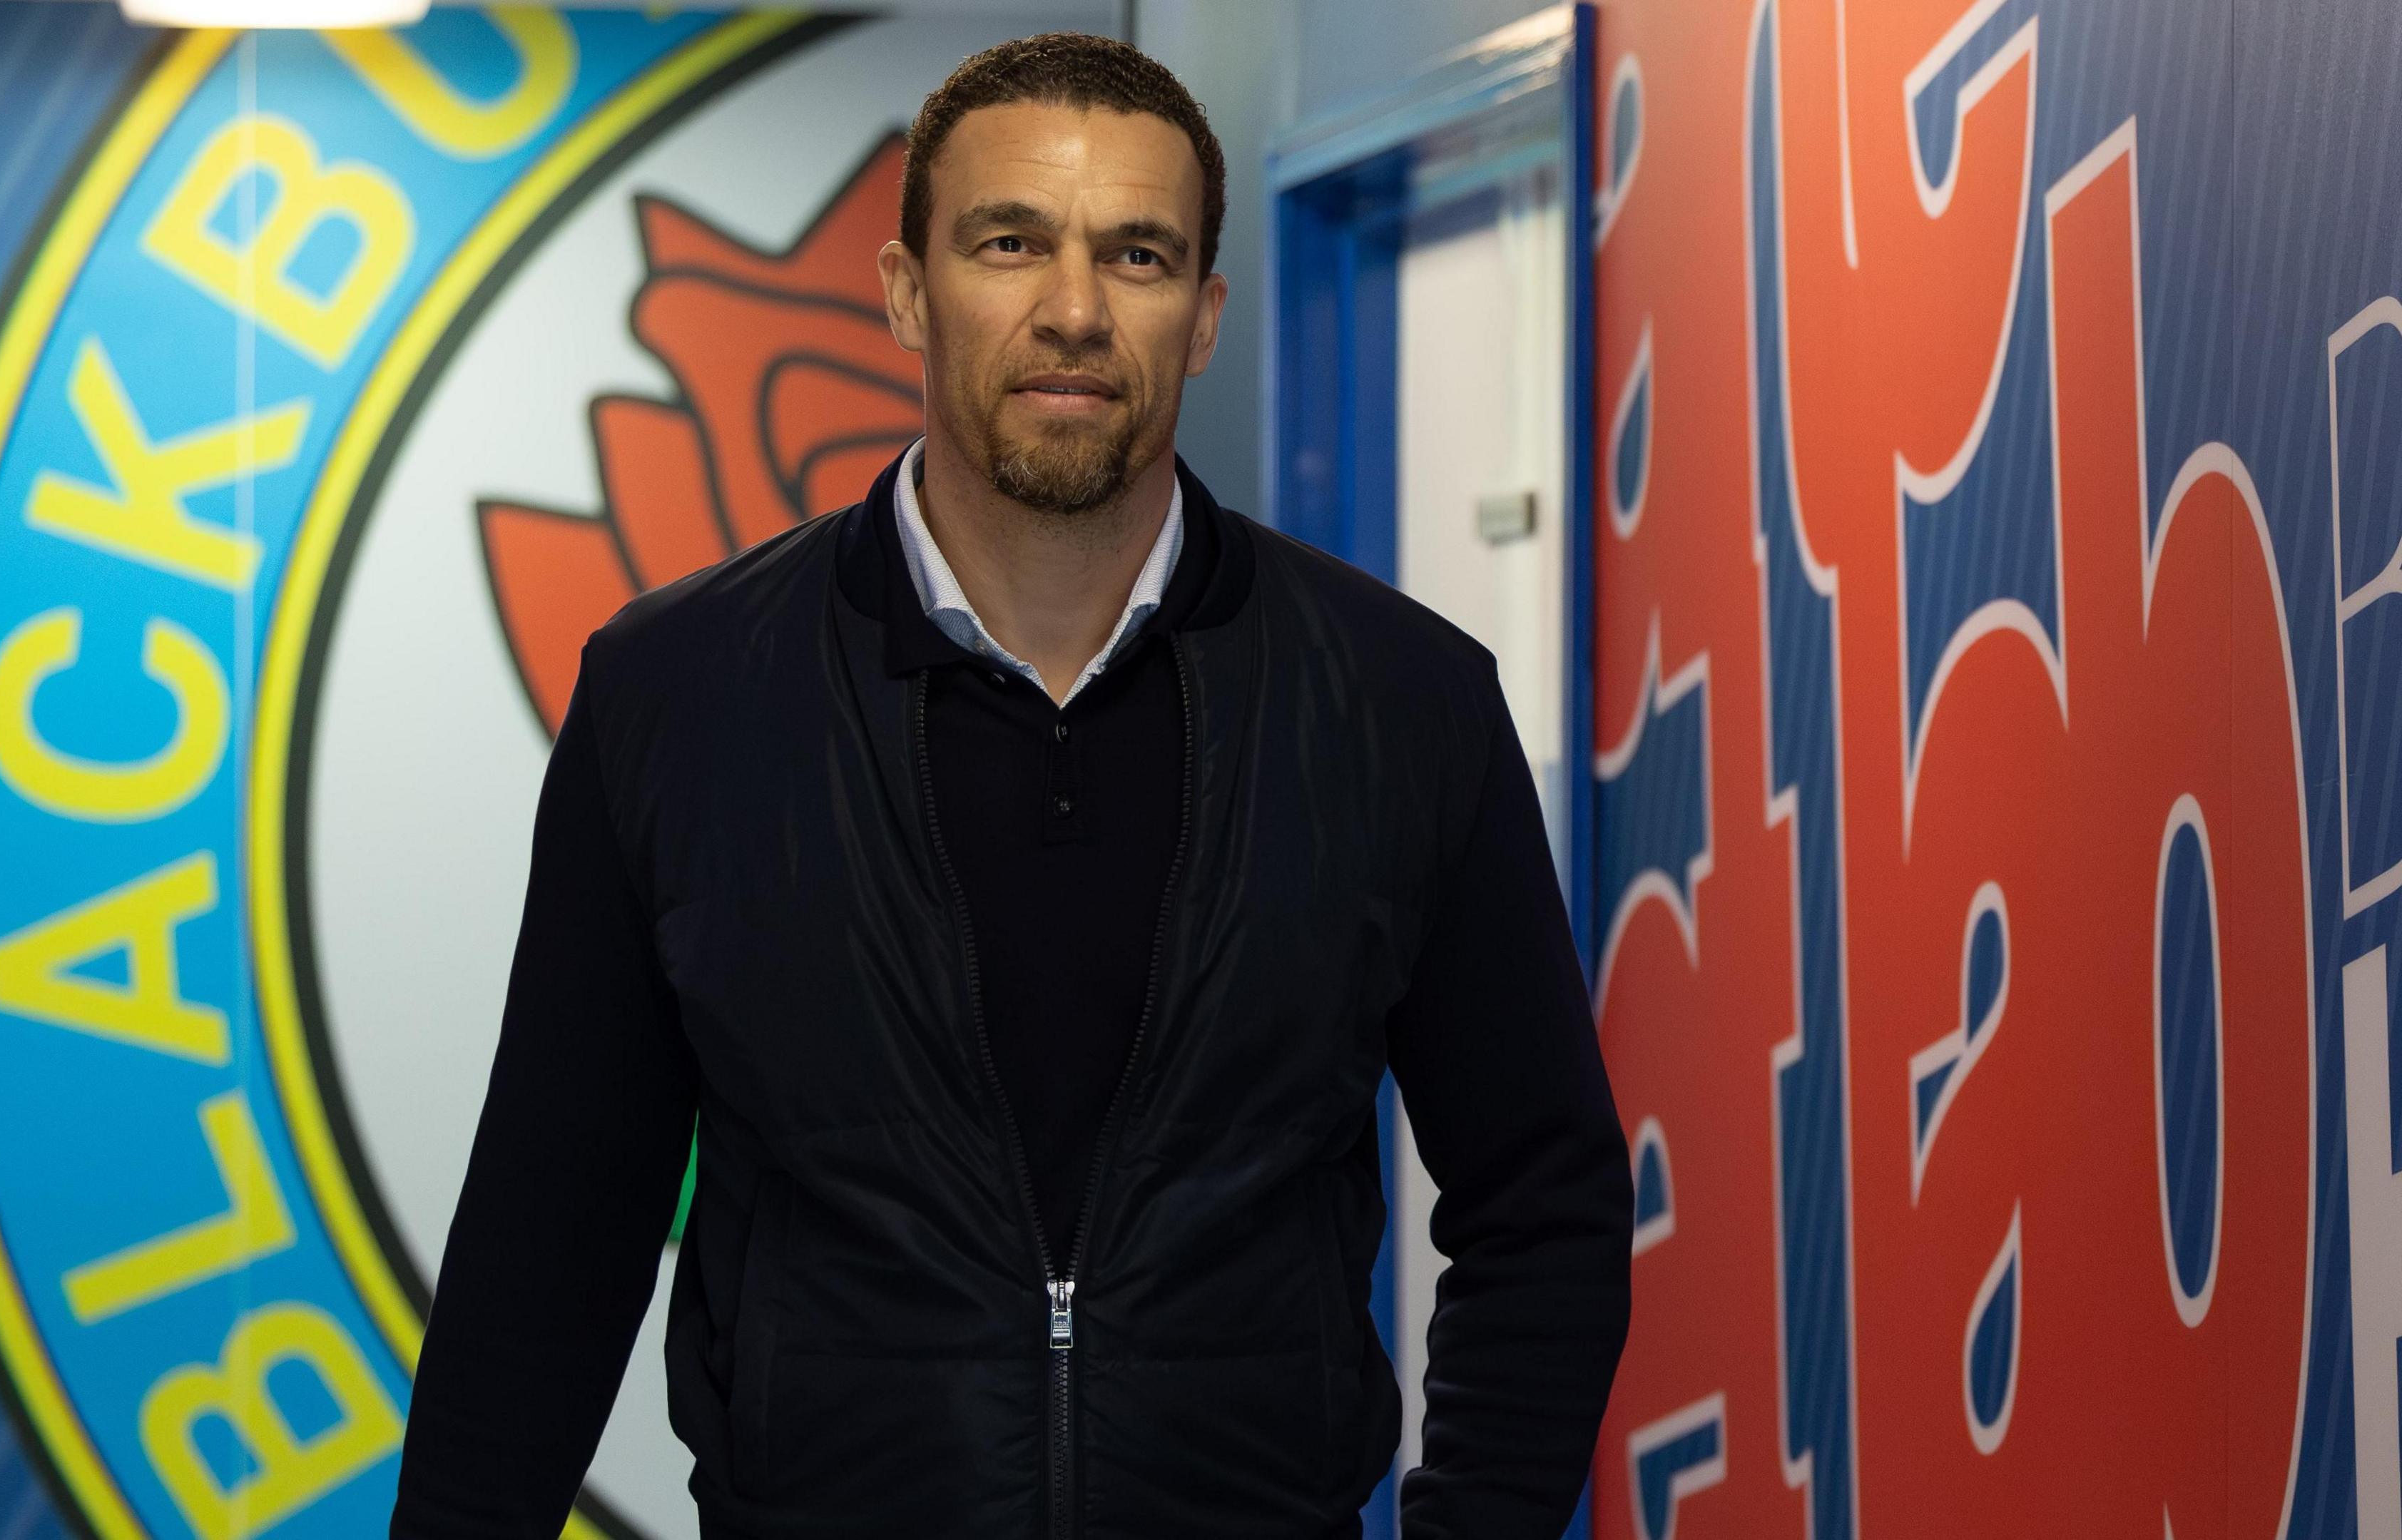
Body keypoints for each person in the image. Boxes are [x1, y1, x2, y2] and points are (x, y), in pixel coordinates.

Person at [391, 31, 1629, 1540]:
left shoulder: (1400, 701)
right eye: (1009, 242)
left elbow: (1542, 1200)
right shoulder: (678, 696)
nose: (1073, 311)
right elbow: (552, 1239)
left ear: (1206, 316)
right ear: (908, 290)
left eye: (1140, 256)